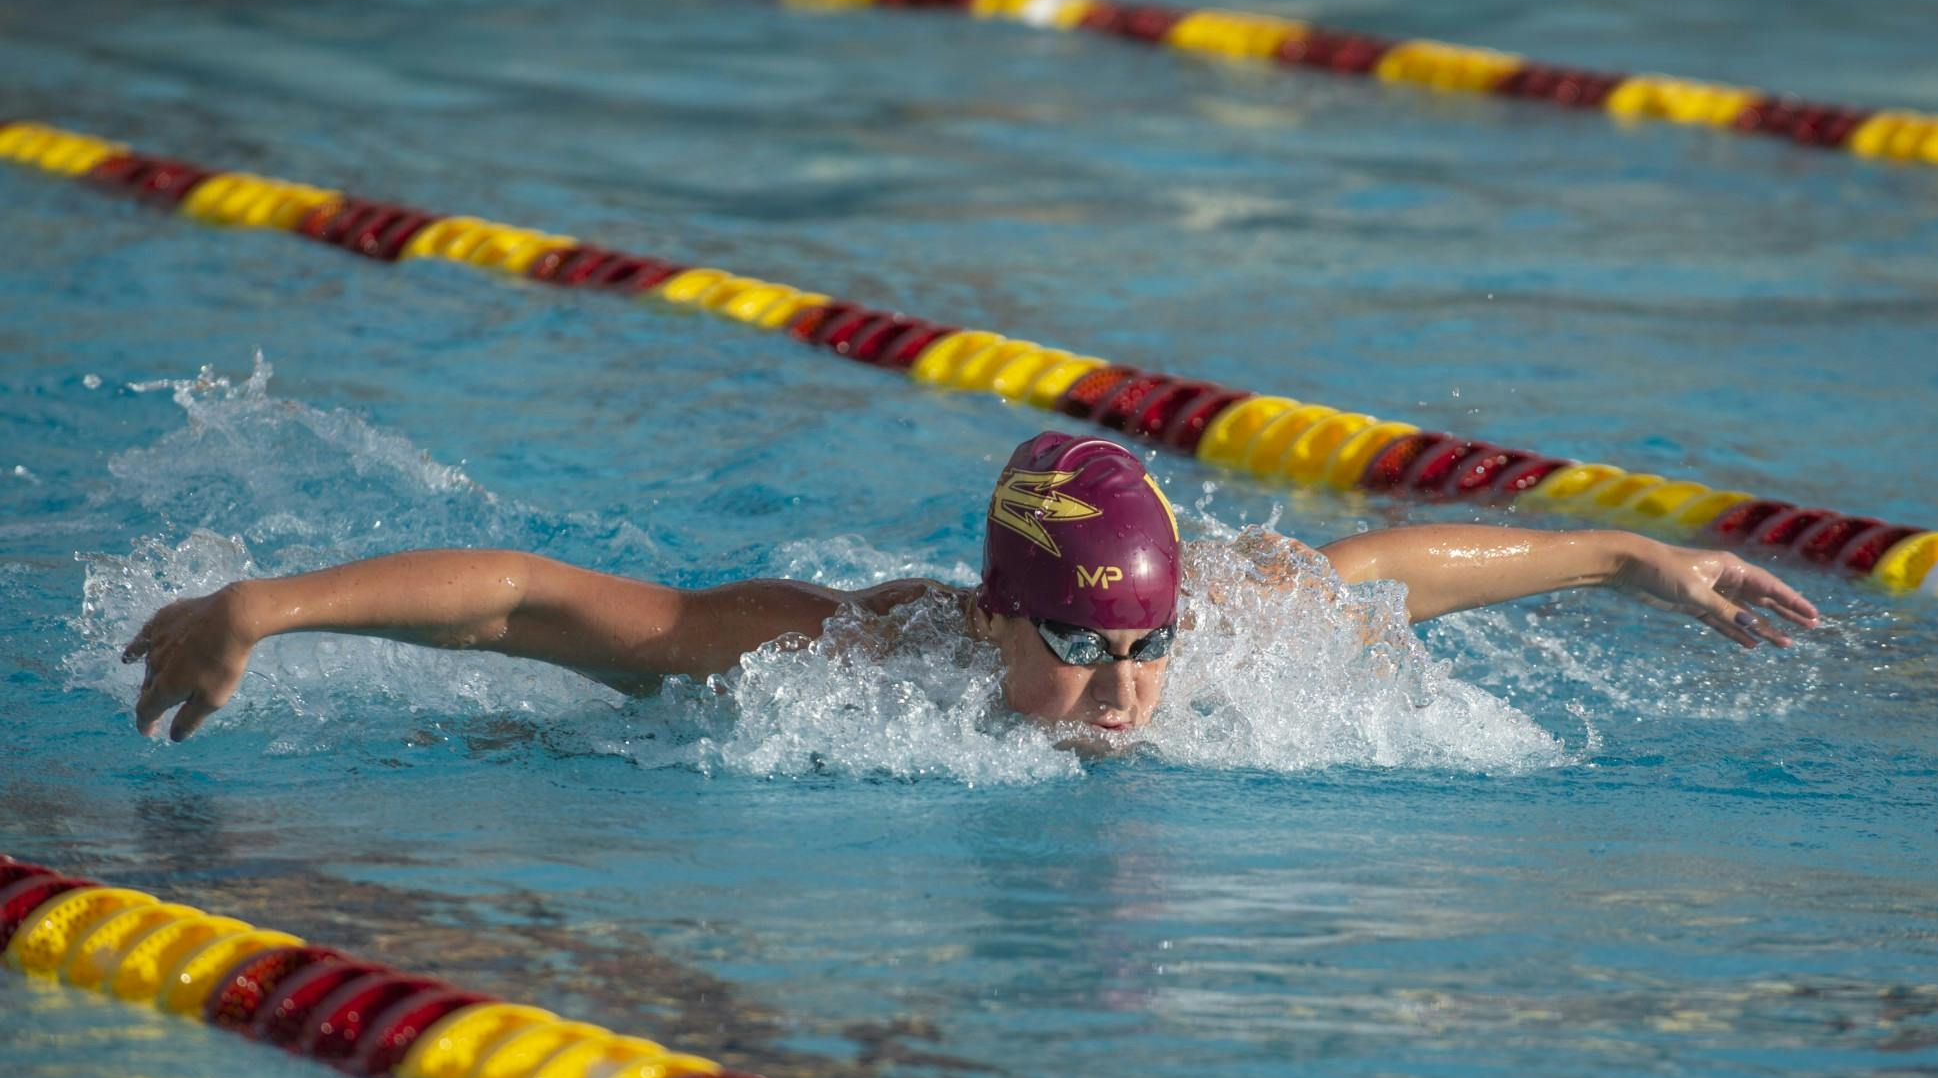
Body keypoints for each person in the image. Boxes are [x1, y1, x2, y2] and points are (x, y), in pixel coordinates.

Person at [123, 431, 1818, 742]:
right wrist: (256, 610)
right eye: (1081, 643)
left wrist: (1631, 557)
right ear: (996, 613)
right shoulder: (830, 661)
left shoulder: (1209, 636)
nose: (1127, 688)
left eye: (1149, 646)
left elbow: (1398, 567)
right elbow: (529, 601)